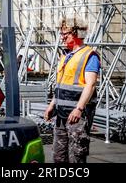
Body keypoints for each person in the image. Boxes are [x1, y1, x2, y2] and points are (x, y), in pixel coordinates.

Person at [44, 15, 100, 163]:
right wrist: (52, 105)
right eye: (61, 34)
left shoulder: (89, 56)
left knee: (76, 156)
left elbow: (91, 85)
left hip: (77, 116)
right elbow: (60, 85)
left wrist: (79, 109)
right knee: (58, 156)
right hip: (61, 115)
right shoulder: (65, 56)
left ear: (76, 34)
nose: (61, 37)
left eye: (65, 34)